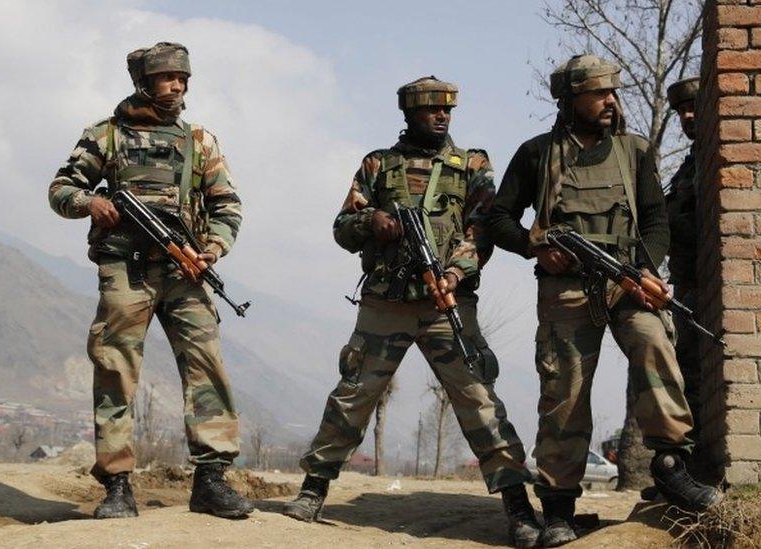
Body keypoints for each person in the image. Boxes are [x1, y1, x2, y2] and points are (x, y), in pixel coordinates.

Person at [281, 76, 542, 548]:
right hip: (386, 302)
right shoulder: (379, 165)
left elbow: (481, 229)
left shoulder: (472, 165)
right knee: (355, 394)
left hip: (447, 303)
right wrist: (371, 221)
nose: (442, 117)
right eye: (431, 111)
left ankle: (517, 505)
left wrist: (456, 274)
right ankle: (313, 489)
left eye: (447, 111)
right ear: (409, 114)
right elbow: (342, 228)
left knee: (479, 401)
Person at [486, 55, 719, 546]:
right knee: (564, 393)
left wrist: (646, 270)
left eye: (613, 92)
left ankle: (672, 464)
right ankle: (557, 508)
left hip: (626, 283)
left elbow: (655, 222)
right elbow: (497, 218)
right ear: (571, 100)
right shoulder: (536, 154)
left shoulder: (634, 151)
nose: (611, 101)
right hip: (565, 291)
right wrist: (535, 245)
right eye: (599, 93)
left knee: (656, 346)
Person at [48, 42, 252, 520]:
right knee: (115, 370)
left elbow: (227, 206)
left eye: (182, 78)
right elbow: (61, 188)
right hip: (126, 271)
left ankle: (211, 480)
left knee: (207, 368)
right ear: (144, 82)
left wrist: (213, 248)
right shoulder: (107, 136)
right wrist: (89, 203)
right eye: (166, 78)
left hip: (184, 271)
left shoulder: (200, 141)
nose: (177, 86)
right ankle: (117, 485)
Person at [664, 77, 703, 448]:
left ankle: (695, 461)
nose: (687, 116)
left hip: (703, 288)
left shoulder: (712, 159)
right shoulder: (691, 163)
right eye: (680, 112)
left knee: (692, 373)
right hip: (687, 285)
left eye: (692, 107)